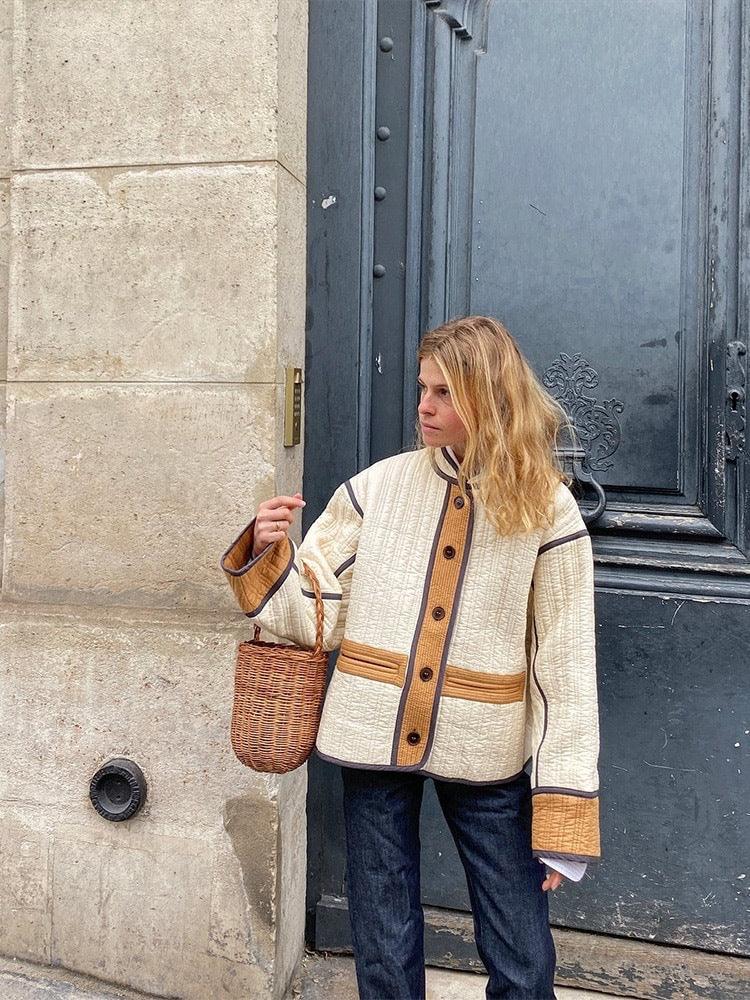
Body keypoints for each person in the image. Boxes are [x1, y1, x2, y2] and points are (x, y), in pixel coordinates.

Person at [220, 315, 601, 1000]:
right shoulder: (376, 489)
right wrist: (266, 553)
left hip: (487, 753)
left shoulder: (549, 512)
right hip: (371, 736)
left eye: (445, 393)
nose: (424, 406)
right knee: (382, 938)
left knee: (519, 947)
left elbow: (564, 673)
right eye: (423, 388)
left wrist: (562, 813)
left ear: (489, 395)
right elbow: (315, 616)